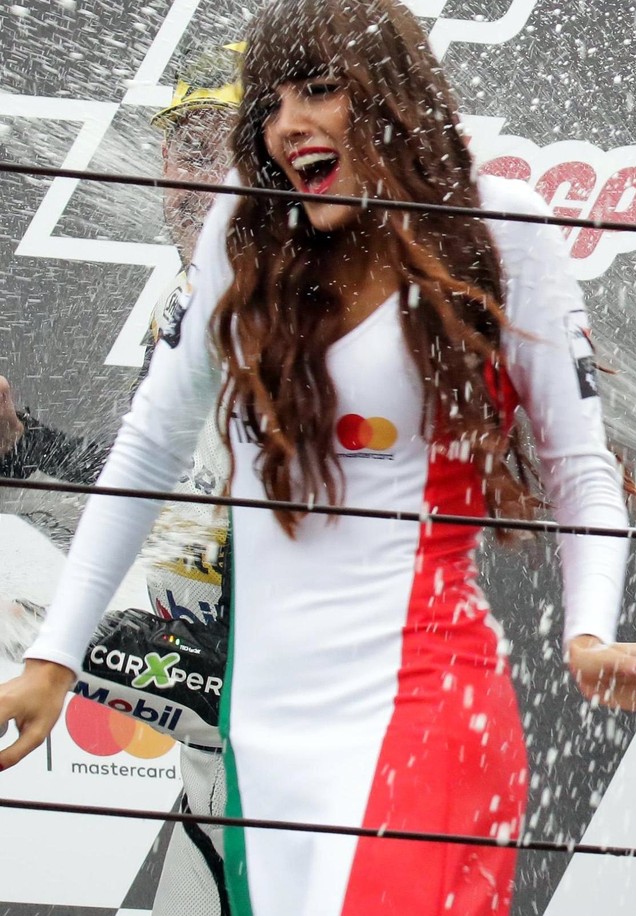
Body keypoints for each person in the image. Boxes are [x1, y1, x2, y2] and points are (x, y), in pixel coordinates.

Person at [0, 1, 636, 913]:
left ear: (392, 96)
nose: (290, 123)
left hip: (423, 699)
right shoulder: (241, 237)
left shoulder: (498, 225)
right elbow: (144, 451)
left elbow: (578, 463)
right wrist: (56, 655)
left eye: (320, 90)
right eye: (274, 102)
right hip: (261, 734)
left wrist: (589, 633)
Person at [0, 41, 247, 916]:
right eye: (182, 148)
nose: (191, 178)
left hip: (272, 741)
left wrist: (76, 650)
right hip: (211, 770)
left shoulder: (297, 318)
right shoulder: (178, 312)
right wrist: (19, 444)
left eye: (221, 147)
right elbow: (147, 500)